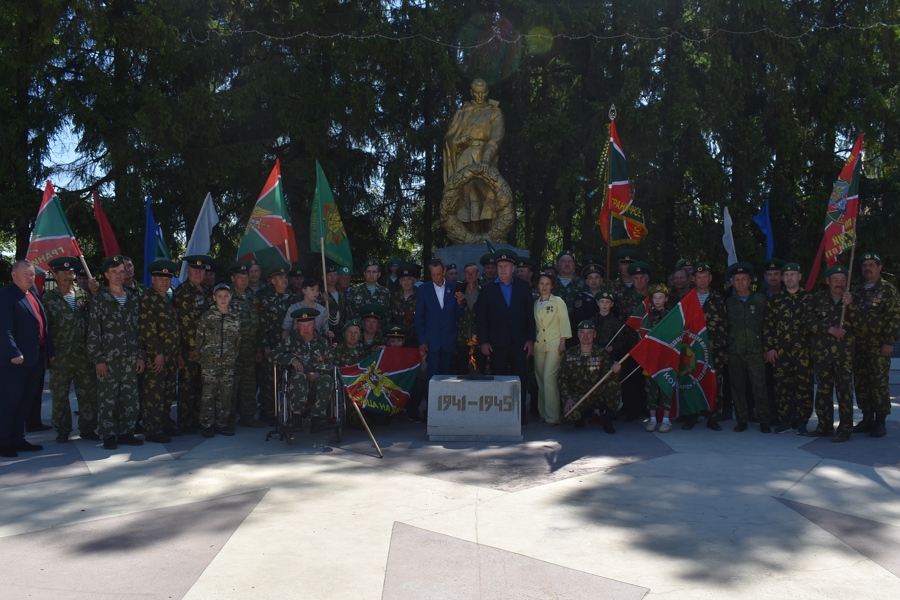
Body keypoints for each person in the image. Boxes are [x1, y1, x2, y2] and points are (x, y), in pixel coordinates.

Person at [86, 255, 145, 450]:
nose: (119, 275)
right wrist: (98, 360)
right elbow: (94, 332)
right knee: (107, 399)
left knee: (130, 398)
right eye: (114, 272)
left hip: (130, 358)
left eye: (121, 271)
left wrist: (140, 356)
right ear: (106, 275)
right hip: (108, 359)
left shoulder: (133, 298)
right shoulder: (100, 299)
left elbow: (140, 331)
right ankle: (108, 434)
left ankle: (127, 432)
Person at [0, 260, 54, 458]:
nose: (30, 278)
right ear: (14, 276)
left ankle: (17, 438)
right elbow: (4, 329)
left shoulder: (33, 295)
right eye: (26, 274)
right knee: (9, 402)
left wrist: (50, 351)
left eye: (32, 274)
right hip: (14, 361)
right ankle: (3, 441)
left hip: (35, 357)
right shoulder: (7, 296)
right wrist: (14, 352)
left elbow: (42, 326)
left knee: (25, 401)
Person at [476, 250, 536, 423]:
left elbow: (529, 315)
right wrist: (484, 342)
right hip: (497, 343)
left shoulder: (523, 287)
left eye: (506, 267)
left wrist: (530, 339)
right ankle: (500, 413)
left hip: (519, 342)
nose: (502, 270)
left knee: (520, 378)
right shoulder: (487, 289)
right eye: (500, 267)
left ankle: (520, 414)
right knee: (499, 377)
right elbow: (481, 318)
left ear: (513, 269)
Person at [44, 257, 98, 443]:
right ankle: (62, 429)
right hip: (60, 356)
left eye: (70, 272)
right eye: (64, 272)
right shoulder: (48, 299)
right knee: (60, 396)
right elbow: (44, 329)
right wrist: (49, 353)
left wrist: (94, 292)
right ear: (55, 275)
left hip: (83, 355)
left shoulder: (83, 294)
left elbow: (95, 318)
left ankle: (88, 428)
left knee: (88, 395)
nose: (68, 275)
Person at [805, 265, 857, 442]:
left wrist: (850, 306)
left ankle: (845, 428)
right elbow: (808, 322)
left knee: (845, 391)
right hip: (823, 354)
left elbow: (862, 324)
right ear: (828, 281)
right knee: (823, 391)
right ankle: (824, 426)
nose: (839, 283)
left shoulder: (852, 300)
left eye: (843, 280)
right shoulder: (818, 299)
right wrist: (828, 329)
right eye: (835, 280)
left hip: (844, 355)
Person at [443, 77, 505, 225]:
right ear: (471, 92)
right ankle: (469, 233)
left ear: (487, 92)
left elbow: (496, 137)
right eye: (476, 93)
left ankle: (488, 232)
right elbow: (449, 138)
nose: (479, 96)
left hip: (486, 154)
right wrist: (458, 141)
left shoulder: (495, 112)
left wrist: (486, 158)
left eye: (482, 92)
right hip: (464, 155)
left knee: (487, 192)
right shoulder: (463, 112)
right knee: (465, 194)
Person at [851, 252, 900, 438]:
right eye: (864, 265)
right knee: (861, 383)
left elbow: (893, 318)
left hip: (878, 347)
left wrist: (889, 342)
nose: (867, 268)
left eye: (871, 265)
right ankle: (867, 418)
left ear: (879, 268)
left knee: (878, 384)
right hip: (859, 346)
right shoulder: (857, 290)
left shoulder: (888, 289)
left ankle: (880, 422)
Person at [764, 262, 814, 435]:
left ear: (800, 277)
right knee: (782, 387)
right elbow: (768, 326)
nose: (789, 278)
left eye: (793, 274)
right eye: (786, 275)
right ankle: (785, 419)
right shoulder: (775, 300)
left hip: (804, 353)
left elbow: (816, 326)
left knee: (804, 387)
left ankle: (802, 421)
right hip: (781, 352)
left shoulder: (810, 299)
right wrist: (769, 348)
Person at [138, 260, 183, 443]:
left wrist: (178, 353)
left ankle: (164, 423)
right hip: (156, 357)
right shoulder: (148, 299)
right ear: (153, 279)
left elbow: (174, 328)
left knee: (167, 392)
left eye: (168, 279)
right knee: (154, 394)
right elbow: (148, 329)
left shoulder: (168, 298)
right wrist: (157, 353)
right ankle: (152, 429)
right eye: (161, 279)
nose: (165, 282)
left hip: (171, 356)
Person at [269, 308, 335, 431]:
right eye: (302, 326)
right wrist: (291, 359)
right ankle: (296, 418)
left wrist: (318, 372)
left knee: (327, 379)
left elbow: (331, 362)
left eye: (309, 325)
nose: (306, 329)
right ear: (297, 326)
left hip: (318, 379)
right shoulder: (291, 342)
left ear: (314, 325)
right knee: (299, 377)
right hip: (298, 382)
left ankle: (317, 418)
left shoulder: (322, 342)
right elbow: (272, 355)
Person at [725, 262, 771, 433]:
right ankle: (741, 419)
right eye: (736, 279)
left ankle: (764, 419)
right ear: (732, 282)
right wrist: (725, 350)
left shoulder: (760, 299)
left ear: (750, 281)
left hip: (756, 351)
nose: (740, 282)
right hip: (734, 351)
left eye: (744, 279)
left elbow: (767, 324)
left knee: (759, 386)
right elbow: (725, 326)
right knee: (737, 387)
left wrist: (767, 347)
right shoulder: (729, 302)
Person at [683, 263, 725, 431]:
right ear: (693, 279)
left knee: (714, 382)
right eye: (699, 277)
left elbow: (724, 323)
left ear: (710, 278)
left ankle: (713, 417)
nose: (702, 280)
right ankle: (690, 416)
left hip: (714, 348)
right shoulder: (686, 299)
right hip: (692, 350)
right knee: (691, 381)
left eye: (705, 277)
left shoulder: (718, 298)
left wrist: (716, 342)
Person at [173, 254, 213, 433]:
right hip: (191, 349)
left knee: (202, 385)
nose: (198, 273)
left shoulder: (206, 290)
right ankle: (185, 421)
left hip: (207, 348)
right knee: (188, 385)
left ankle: (198, 418)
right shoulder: (183, 292)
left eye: (201, 269)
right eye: (194, 269)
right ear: (188, 271)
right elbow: (185, 323)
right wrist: (192, 348)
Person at [196, 284, 241, 437]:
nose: (223, 299)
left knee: (225, 394)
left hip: (228, 363)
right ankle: (207, 424)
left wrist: (233, 356)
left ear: (231, 297)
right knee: (208, 394)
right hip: (210, 362)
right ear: (214, 298)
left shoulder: (235, 317)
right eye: (219, 296)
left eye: (226, 296)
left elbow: (238, 341)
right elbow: (198, 339)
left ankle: (221, 423)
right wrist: (202, 356)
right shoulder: (207, 317)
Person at [560, 320, 622, 432]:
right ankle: (581, 415)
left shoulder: (601, 353)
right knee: (569, 417)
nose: (585, 336)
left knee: (614, 386)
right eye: (582, 332)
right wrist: (567, 398)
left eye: (589, 332)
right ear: (577, 334)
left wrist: (616, 372)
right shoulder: (570, 354)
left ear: (595, 335)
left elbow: (609, 378)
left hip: (598, 392)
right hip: (578, 395)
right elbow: (562, 379)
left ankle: (607, 421)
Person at [258, 263, 299, 424]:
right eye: (280, 277)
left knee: (289, 379)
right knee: (270, 381)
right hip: (273, 346)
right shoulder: (267, 300)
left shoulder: (294, 298)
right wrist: (265, 346)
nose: (284, 279)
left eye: (285, 277)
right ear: (272, 280)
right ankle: (269, 412)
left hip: (290, 347)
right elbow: (262, 325)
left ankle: (288, 410)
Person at [416, 258, 465, 382]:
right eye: (432, 274)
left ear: (444, 272)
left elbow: (458, 315)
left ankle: (445, 401)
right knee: (432, 376)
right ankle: (430, 401)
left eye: (438, 274)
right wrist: (422, 340)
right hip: (431, 341)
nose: (435, 277)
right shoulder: (424, 289)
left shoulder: (453, 286)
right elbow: (419, 317)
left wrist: (460, 303)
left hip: (448, 339)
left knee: (446, 376)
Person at [533, 272, 572, 425]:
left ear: (552, 286)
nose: (544, 286)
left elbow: (564, 321)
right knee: (540, 377)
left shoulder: (558, 302)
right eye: (542, 283)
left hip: (555, 343)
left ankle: (554, 416)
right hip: (539, 344)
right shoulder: (536, 303)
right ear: (537, 285)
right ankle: (543, 413)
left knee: (549, 377)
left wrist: (563, 342)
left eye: (547, 284)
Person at [228, 261, 264, 428]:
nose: (244, 280)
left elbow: (258, 324)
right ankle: (227, 420)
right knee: (230, 388)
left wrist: (258, 347)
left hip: (250, 350)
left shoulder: (251, 296)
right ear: (233, 278)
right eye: (240, 277)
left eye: (246, 277)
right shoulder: (226, 296)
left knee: (249, 386)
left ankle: (248, 418)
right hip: (233, 352)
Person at [643, 284, 674, 433]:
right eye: (655, 297)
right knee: (651, 389)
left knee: (666, 387)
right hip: (651, 357)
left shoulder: (671, 315)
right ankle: (653, 419)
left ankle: (666, 420)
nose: (657, 300)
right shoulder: (648, 315)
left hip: (667, 357)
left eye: (660, 297)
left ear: (666, 299)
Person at [456, 262, 483, 374]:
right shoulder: (458, 290)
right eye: (467, 272)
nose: (470, 275)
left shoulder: (483, 291)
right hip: (462, 338)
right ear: (463, 275)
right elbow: (453, 314)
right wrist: (459, 303)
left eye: (473, 273)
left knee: (480, 370)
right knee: (462, 371)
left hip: (479, 339)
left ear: (478, 274)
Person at [388, 264, 420, 346]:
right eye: (403, 280)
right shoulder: (394, 296)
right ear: (400, 281)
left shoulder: (421, 296)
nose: (406, 283)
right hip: (397, 341)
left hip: (416, 340)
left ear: (414, 280)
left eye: (409, 279)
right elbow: (389, 317)